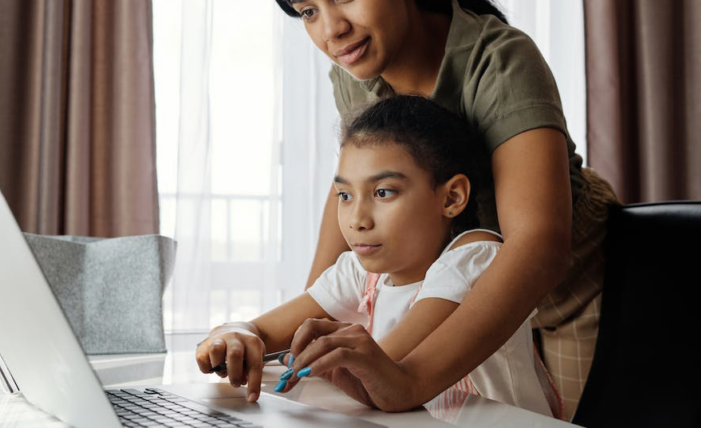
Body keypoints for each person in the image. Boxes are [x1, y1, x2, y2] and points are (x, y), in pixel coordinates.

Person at [261, 0, 620, 420]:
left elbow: (538, 242)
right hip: (450, 294)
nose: (331, 29)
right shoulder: (353, 70)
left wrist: (407, 379)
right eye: (307, 11)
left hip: (565, 292)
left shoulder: (499, 61)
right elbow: (350, 187)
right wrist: (302, 334)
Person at [196, 95, 561, 418]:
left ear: (451, 198)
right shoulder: (362, 273)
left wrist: (319, 356)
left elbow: (386, 371)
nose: (357, 220)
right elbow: (262, 330)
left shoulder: (475, 258)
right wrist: (234, 335)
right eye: (345, 195)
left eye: (384, 192)